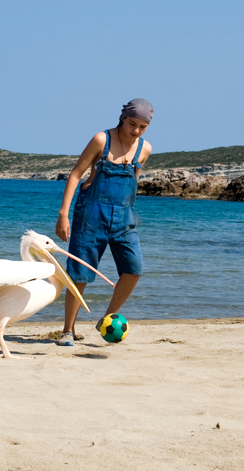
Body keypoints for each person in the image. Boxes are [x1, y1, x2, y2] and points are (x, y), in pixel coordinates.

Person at [54, 98, 153, 346]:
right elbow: (76, 174)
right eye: (132, 124)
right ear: (122, 118)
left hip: (124, 219)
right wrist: (63, 214)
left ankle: (108, 317)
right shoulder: (102, 139)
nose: (136, 131)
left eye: (142, 127)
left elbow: (133, 181)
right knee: (79, 274)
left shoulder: (145, 148)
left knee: (134, 269)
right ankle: (68, 330)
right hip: (90, 216)